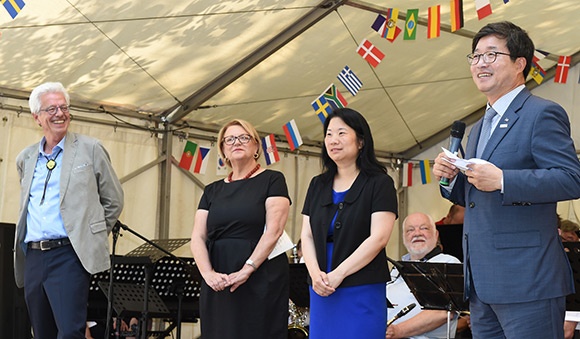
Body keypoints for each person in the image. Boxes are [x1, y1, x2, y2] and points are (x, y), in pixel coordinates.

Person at [432, 21, 580, 338]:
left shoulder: (541, 113)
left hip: (528, 282)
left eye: (492, 54)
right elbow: (473, 196)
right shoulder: (477, 129)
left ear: (519, 63)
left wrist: (503, 180)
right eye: (475, 56)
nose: (480, 62)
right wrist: (449, 180)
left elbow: (570, 179)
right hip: (482, 285)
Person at [14, 82, 124, 338]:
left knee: (70, 332)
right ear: (37, 117)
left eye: (63, 107)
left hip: (68, 255)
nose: (59, 113)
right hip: (33, 256)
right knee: (41, 332)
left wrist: (88, 233)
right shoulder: (26, 158)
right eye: (51, 108)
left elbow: (113, 200)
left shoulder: (91, 149)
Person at [300, 107, 398, 338]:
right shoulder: (317, 184)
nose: (333, 140)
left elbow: (379, 238)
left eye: (342, 133)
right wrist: (315, 274)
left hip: (361, 284)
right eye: (329, 134)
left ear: (361, 141)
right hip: (321, 286)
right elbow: (306, 235)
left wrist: (339, 274)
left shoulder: (379, 183)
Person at [190, 119, 291, 339]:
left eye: (244, 137)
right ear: (223, 149)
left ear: (256, 146)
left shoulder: (272, 179)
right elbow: (197, 236)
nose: (237, 142)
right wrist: (207, 274)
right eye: (230, 139)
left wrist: (247, 269)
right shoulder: (211, 190)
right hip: (219, 277)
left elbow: (274, 230)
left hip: (260, 274)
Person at [386, 212, 461, 339]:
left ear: (436, 234)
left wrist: (397, 331)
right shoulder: (396, 268)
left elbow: (442, 312)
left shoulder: (447, 263)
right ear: (403, 237)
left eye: (424, 228)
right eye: (410, 230)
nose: (417, 233)